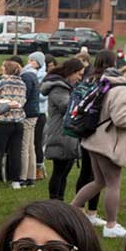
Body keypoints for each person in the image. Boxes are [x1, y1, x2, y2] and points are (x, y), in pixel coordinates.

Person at [69, 57, 126, 237]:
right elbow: (122, 119)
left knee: (99, 182)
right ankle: (111, 226)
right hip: (107, 144)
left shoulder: (113, 86)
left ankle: (72, 211)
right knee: (113, 184)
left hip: (96, 141)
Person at [42, 58, 91, 204]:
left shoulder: (66, 87)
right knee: (59, 171)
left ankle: (60, 202)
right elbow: (67, 107)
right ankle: (54, 202)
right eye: (79, 74)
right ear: (71, 72)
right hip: (60, 134)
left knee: (64, 172)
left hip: (67, 135)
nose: (80, 78)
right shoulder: (59, 88)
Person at [0, 57, 28, 191]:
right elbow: (23, 100)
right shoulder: (22, 83)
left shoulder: (3, 82)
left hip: (4, 120)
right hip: (18, 120)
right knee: (16, 152)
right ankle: (15, 180)